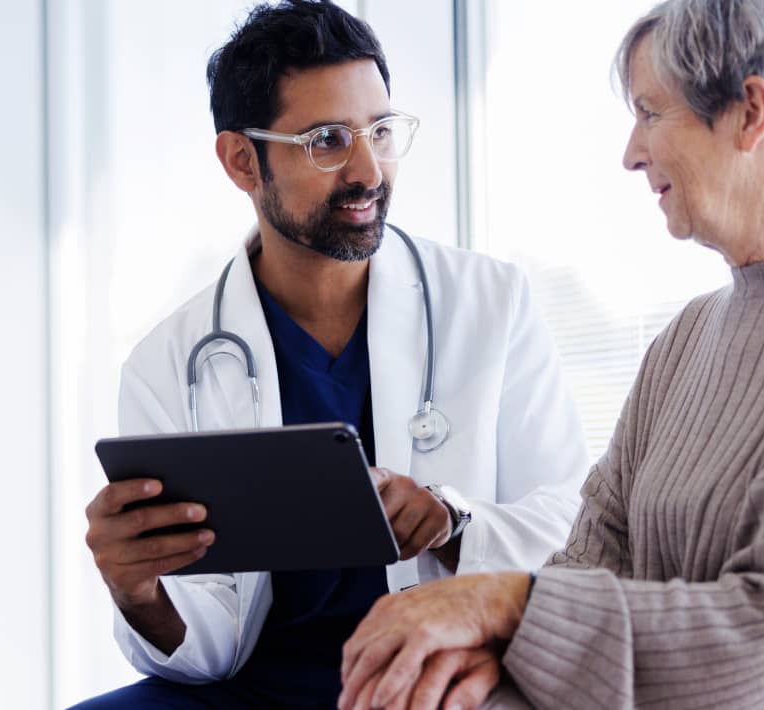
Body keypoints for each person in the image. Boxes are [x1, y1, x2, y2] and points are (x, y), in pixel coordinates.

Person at [337, 0, 764, 708]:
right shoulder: (687, 340)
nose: (631, 151)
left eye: (651, 112)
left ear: (751, 111)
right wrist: (484, 671)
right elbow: (588, 569)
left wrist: (496, 607)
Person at [73, 2, 588, 707]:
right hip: (255, 686)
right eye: (326, 140)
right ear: (240, 161)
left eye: (380, 129)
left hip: (435, 671)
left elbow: (574, 528)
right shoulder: (169, 363)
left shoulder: (491, 303)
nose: (368, 170)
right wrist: (136, 589)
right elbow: (207, 648)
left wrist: (452, 520)